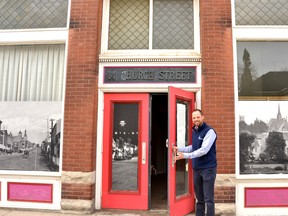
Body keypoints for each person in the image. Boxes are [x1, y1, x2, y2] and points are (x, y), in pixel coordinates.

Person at [173, 108, 217, 216]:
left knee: (208, 199)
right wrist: (179, 149)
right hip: (197, 169)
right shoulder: (195, 131)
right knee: (199, 198)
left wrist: (185, 156)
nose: (196, 119)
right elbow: (194, 147)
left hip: (208, 169)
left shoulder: (209, 131)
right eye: (194, 118)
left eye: (198, 117)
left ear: (202, 117)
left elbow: (203, 150)